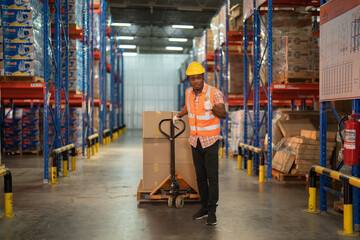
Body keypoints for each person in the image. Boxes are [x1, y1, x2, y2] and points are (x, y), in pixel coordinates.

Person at [173, 61, 227, 226]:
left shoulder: (214, 92)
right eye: (192, 78)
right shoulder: (189, 92)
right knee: (201, 177)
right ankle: (203, 207)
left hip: (210, 141)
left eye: (198, 78)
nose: (195, 81)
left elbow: (223, 114)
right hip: (195, 140)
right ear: (190, 79)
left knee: (212, 177)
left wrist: (211, 108)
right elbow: (188, 107)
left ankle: (212, 211)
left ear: (203, 77)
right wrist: (178, 115)